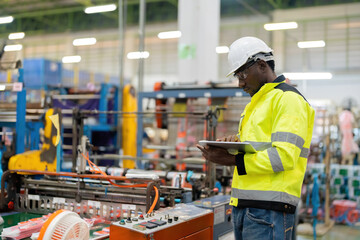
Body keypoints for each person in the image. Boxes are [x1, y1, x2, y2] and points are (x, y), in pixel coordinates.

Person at [197, 36, 315, 239]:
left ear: (261, 65)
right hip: (246, 207)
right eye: (237, 75)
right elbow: (257, 146)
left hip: (270, 211)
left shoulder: (288, 100)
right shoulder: (257, 103)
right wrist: (233, 145)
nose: (240, 82)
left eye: (242, 74)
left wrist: (230, 159)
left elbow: (283, 156)